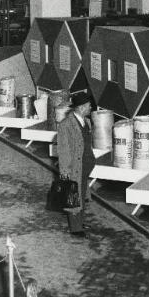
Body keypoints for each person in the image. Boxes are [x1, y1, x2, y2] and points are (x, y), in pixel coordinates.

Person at [57, 92, 95, 236]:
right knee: (73, 196)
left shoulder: (87, 121)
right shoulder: (65, 125)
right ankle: (75, 228)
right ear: (81, 107)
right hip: (74, 167)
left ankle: (80, 221)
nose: (91, 107)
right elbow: (63, 150)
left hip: (85, 165)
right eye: (89, 105)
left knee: (82, 194)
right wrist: (65, 171)